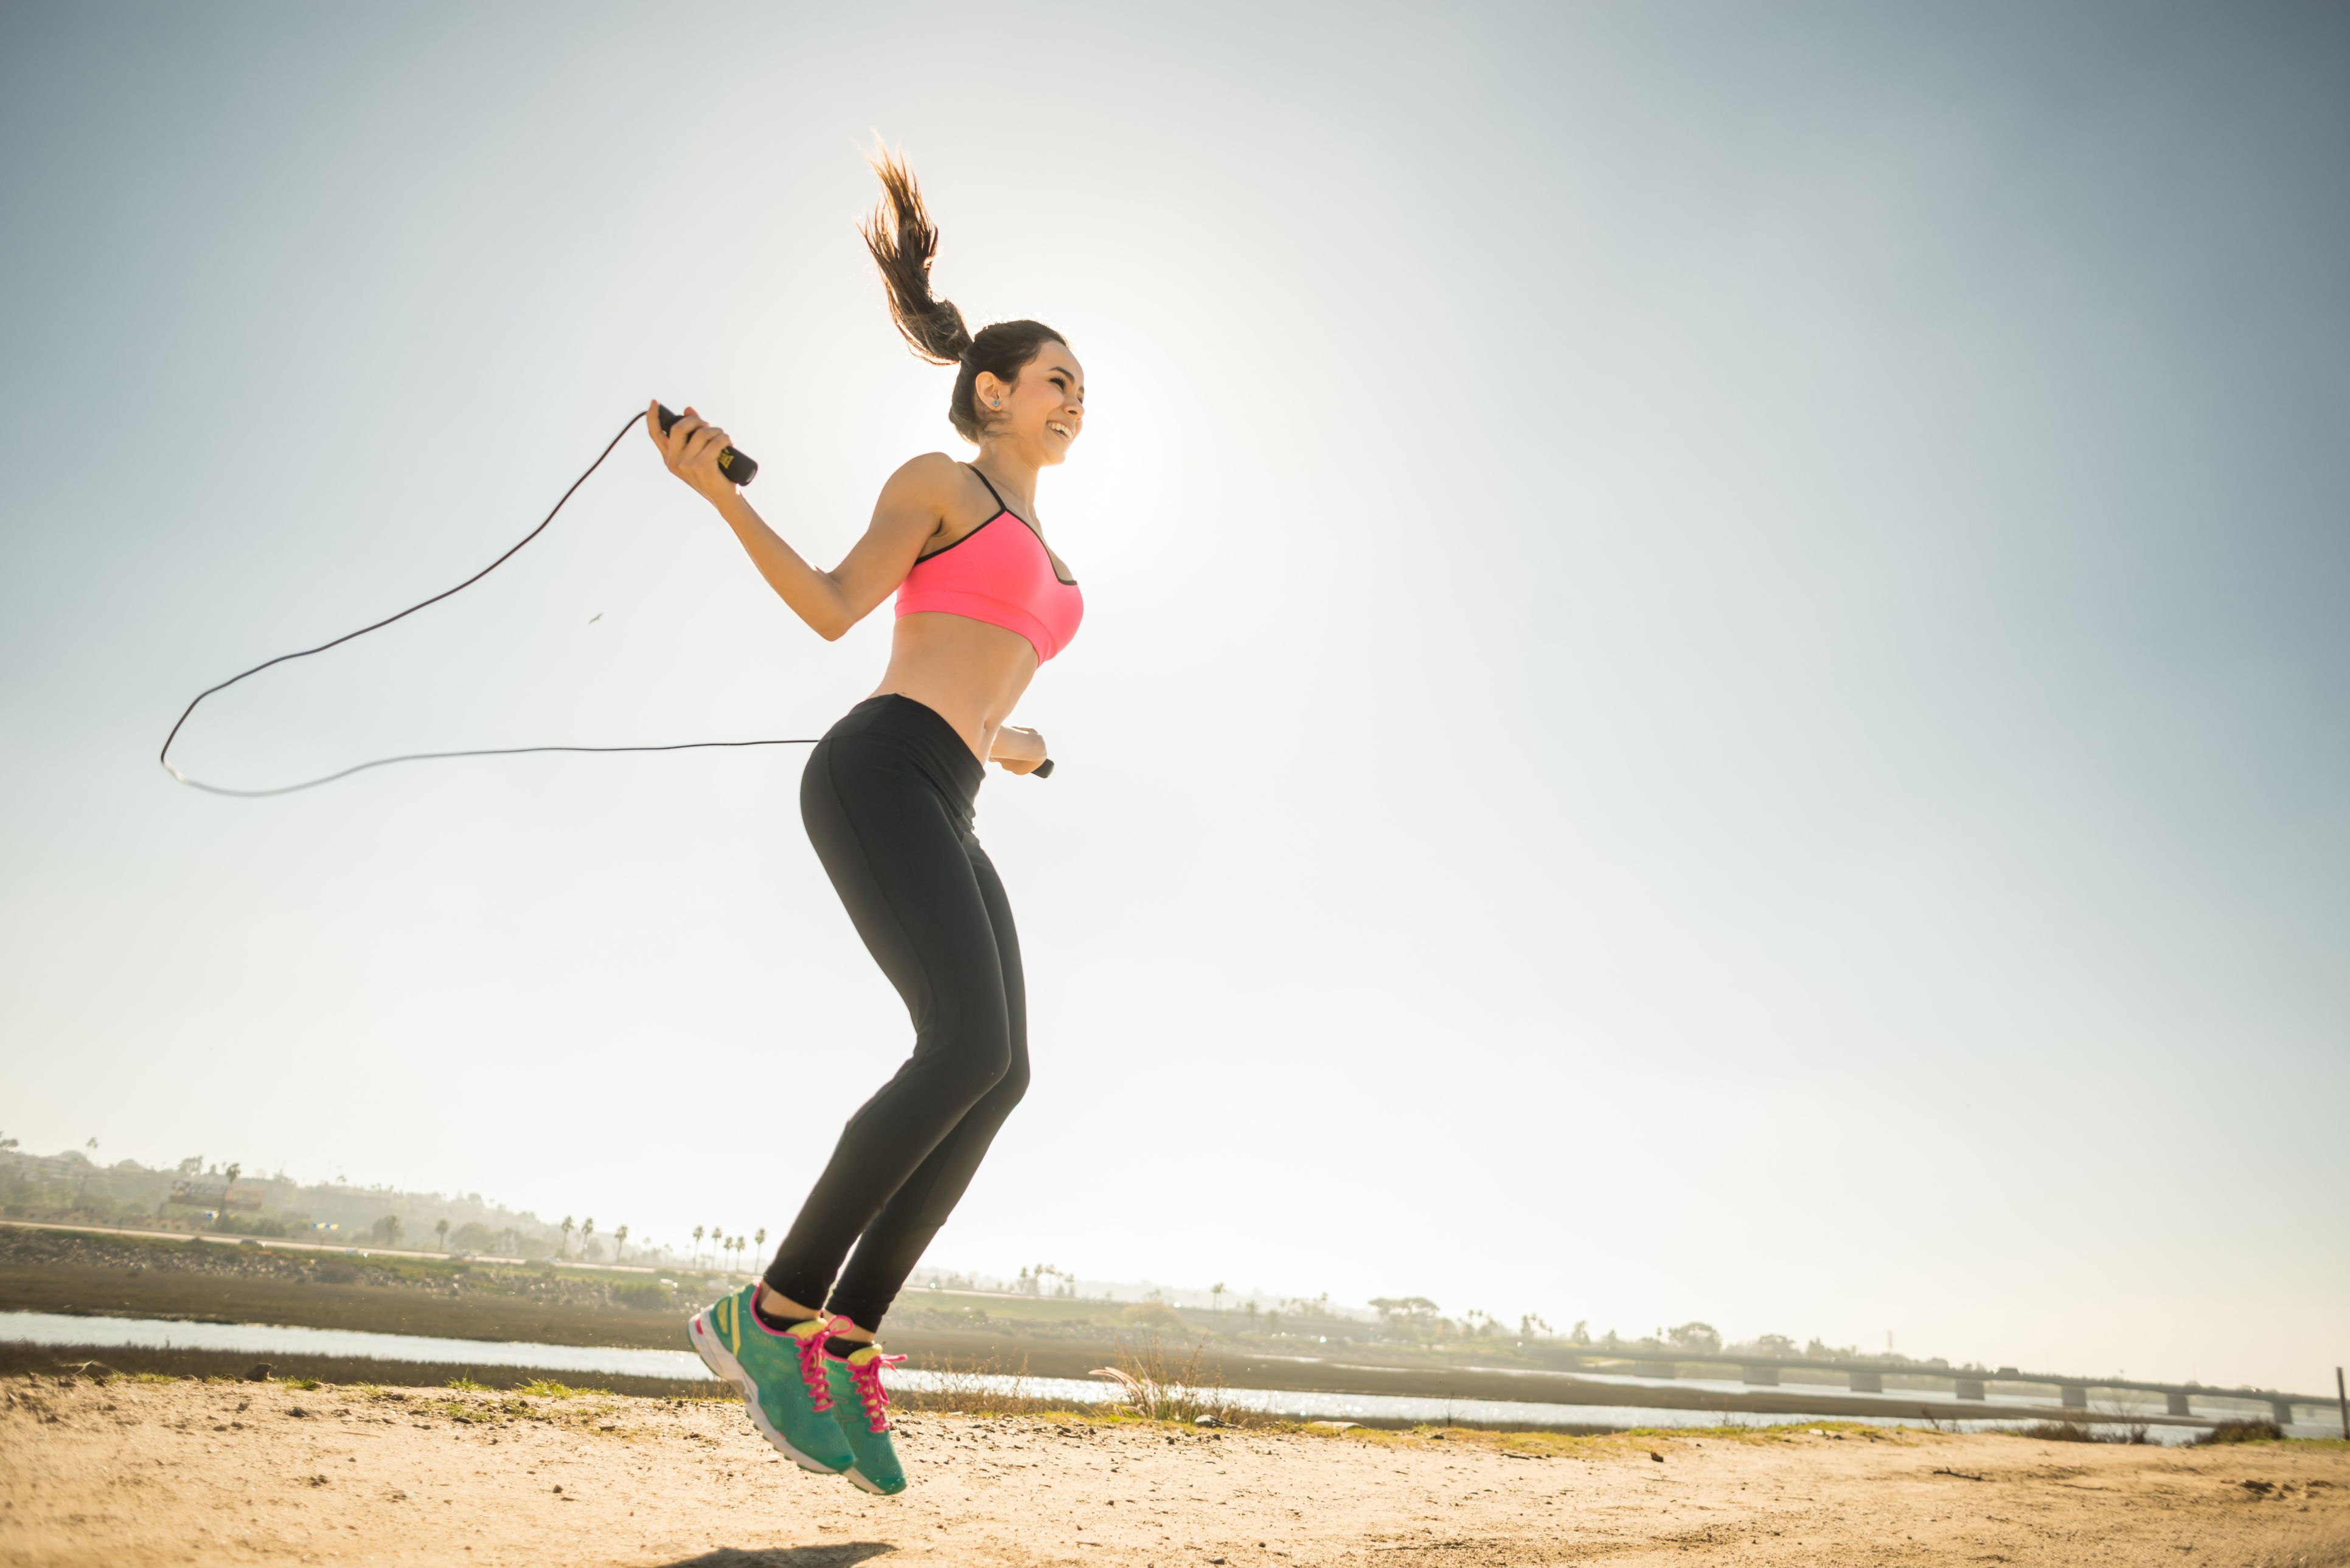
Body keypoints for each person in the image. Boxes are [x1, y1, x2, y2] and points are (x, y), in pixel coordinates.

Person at [651, 153, 1085, 1497]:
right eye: (1059, 377)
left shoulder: (1048, 543)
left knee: (999, 1068)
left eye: (1087, 387)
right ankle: (768, 1311)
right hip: (877, 768)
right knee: (959, 1038)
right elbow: (843, 607)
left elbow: (984, 656)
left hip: (950, 789)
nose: (1079, 401)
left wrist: (1003, 742)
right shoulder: (943, 482)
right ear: (992, 389)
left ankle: (845, 1340)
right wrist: (722, 491)